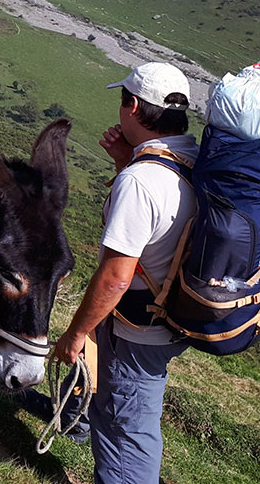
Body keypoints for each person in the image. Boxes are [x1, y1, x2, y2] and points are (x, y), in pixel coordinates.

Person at [54, 62, 197, 484]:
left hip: (137, 328)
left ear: (133, 106)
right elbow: (159, 232)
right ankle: (78, 419)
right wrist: (123, 162)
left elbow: (116, 276)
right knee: (123, 409)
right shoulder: (190, 159)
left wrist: (76, 334)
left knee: (127, 429)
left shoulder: (141, 181)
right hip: (169, 315)